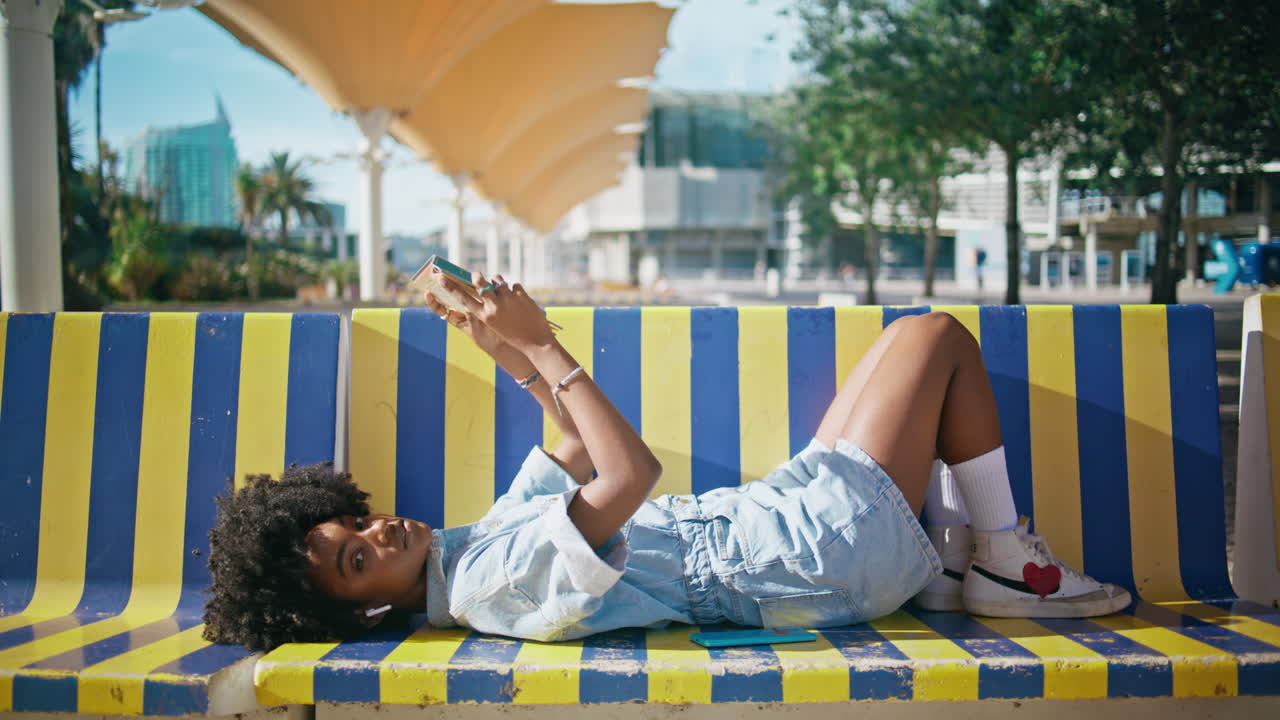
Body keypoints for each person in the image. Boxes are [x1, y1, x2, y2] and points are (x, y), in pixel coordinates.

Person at [203, 268, 1130, 652]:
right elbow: (626, 476)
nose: (379, 531)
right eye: (360, 558)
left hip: (784, 530)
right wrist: (552, 350)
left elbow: (569, 451)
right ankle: (1003, 558)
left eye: (355, 524)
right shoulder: (490, 580)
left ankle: (960, 560)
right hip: (806, 557)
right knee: (935, 337)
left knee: (904, 341)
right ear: (367, 602)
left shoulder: (462, 548)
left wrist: (510, 351)